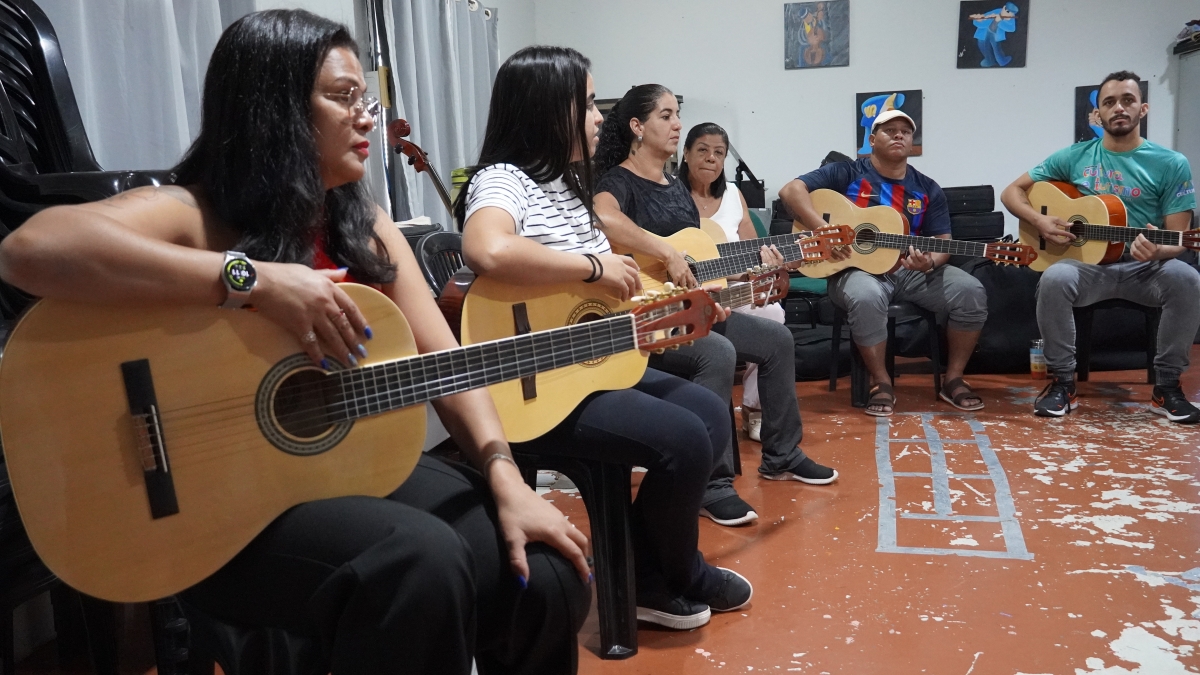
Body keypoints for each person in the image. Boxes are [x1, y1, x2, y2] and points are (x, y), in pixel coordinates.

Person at [0, 11, 591, 674]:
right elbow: (29, 250)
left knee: (545, 573)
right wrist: (252, 279)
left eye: (364, 97)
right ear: (273, 107)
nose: (366, 117)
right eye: (342, 97)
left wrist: (505, 475)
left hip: (344, 468)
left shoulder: (365, 224)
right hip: (211, 505)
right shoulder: (199, 211)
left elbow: (445, 363)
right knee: (417, 564)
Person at [457, 46, 752, 632]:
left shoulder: (567, 186)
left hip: (591, 364)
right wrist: (593, 268)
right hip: (539, 382)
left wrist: (681, 308)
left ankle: (643, 570)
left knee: (710, 415)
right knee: (686, 439)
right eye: (589, 104)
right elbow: (485, 248)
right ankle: (678, 573)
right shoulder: (504, 180)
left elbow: (609, 293)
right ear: (547, 109)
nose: (599, 118)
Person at [591, 85, 838, 530]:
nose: (677, 124)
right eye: (666, 115)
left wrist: (751, 274)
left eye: (676, 115)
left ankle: (782, 455)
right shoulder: (618, 181)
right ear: (637, 126)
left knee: (777, 338)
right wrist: (665, 252)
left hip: (685, 310)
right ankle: (712, 484)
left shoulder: (674, 187)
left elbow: (699, 263)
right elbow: (603, 219)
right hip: (641, 319)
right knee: (717, 352)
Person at [1000, 70, 1200, 423]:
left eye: (1128, 100)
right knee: (1054, 278)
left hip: (1145, 267)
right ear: (1098, 114)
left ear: (1143, 109)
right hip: (1086, 265)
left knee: (1186, 278)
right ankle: (1063, 383)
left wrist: (1159, 251)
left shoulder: (1171, 163)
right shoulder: (1074, 156)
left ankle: (1167, 386)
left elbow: (1179, 238)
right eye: (1109, 102)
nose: (1119, 108)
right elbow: (1011, 192)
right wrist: (1040, 221)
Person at [780, 109, 989, 417]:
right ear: (872, 139)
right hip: (853, 269)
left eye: (905, 131)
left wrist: (929, 262)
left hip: (909, 272)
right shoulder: (846, 172)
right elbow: (790, 191)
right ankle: (881, 381)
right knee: (866, 296)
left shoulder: (927, 188)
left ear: (912, 143)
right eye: (890, 130)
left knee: (971, 291)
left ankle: (954, 378)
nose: (899, 135)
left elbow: (942, 241)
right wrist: (822, 230)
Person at [679, 122, 786, 443]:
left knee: (772, 313)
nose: (711, 158)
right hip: (683, 292)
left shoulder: (733, 195)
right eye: (702, 150)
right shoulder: (670, 193)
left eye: (719, 152)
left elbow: (750, 256)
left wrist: (765, 265)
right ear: (685, 154)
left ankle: (753, 408)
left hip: (729, 286)